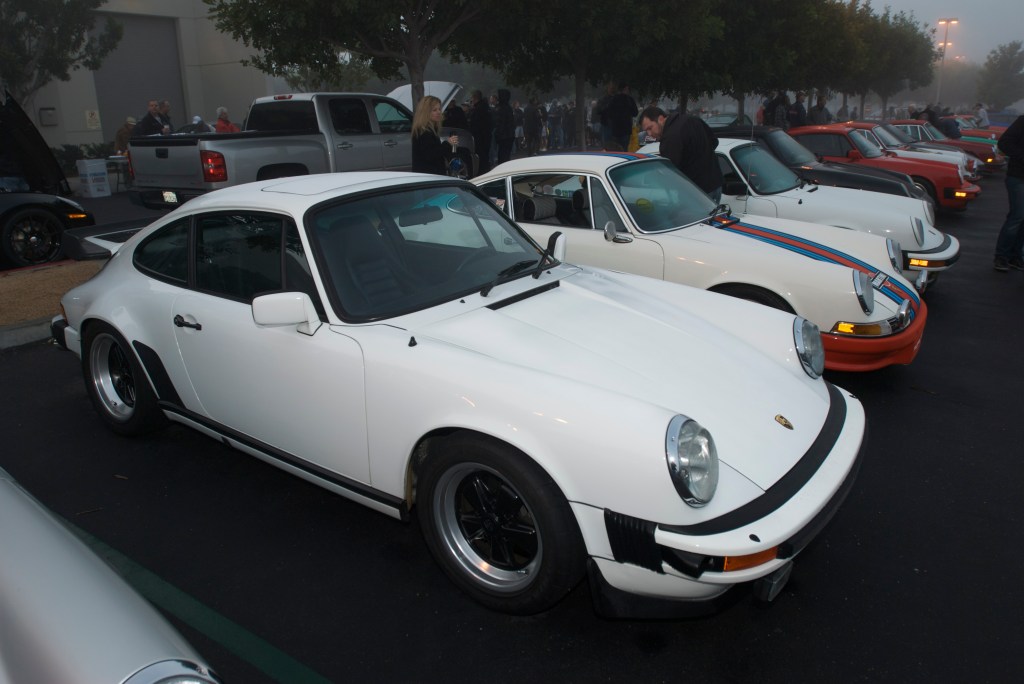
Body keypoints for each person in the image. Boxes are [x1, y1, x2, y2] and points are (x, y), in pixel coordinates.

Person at [639, 105, 723, 203]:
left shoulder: (670, 138)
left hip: (696, 193)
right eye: (646, 131)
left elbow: (670, 171)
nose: (649, 134)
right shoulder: (693, 120)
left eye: (650, 128)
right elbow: (714, 142)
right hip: (716, 185)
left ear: (661, 119)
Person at [992, 114, 1024, 272]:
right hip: (1018, 177)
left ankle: (1016, 257)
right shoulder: (1022, 121)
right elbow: (1004, 143)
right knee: (1017, 215)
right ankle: (1001, 256)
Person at [411, 95, 458, 175]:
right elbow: (430, 155)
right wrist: (447, 144)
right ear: (426, 112)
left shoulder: (431, 129)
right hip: (428, 176)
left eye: (439, 109)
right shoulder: (423, 131)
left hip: (431, 174)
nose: (438, 112)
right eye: (434, 110)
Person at [604, 83, 638, 150]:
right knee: (625, 148)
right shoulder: (629, 100)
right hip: (626, 129)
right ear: (625, 89)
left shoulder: (613, 99)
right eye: (627, 89)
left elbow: (608, 112)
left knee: (616, 149)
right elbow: (635, 113)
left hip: (616, 129)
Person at [468, 89, 493, 174]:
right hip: (486, 136)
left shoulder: (478, 109)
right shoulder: (486, 107)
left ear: (474, 98)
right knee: (485, 157)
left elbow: (475, 124)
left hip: (479, 137)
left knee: (481, 158)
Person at [493, 89, 516, 165]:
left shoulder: (501, 108)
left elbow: (500, 122)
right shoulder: (507, 108)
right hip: (508, 135)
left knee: (502, 155)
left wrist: (498, 133)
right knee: (505, 155)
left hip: (503, 136)